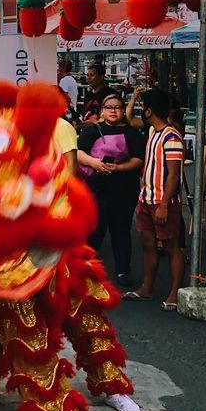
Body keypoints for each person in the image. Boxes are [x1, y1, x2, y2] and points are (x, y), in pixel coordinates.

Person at [125, 88, 185, 310]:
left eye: (143, 107)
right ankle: (147, 288)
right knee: (148, 244)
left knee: (171, 245)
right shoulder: (153, 131)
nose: (142, 111)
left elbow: (174, 175)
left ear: (150, 111)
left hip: (162, 200)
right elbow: (130, 120)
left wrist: (163, 204)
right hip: (147, 197)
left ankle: (174, 293)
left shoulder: (171, 136)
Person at [77, 91, 145, 286]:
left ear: (124, 111)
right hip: (96, 188)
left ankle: (123, 270)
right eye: (109, 107)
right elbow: (79, 152)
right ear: (103, 111)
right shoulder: (92, 130)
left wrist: (118, 168)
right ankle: (85, 269)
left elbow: (138, 159)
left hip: (124, 190)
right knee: (94, 230)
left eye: (118, 107)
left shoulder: (133, 133)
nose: (113, 111)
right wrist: (95, 163)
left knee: (121, 231)